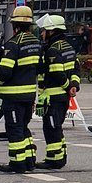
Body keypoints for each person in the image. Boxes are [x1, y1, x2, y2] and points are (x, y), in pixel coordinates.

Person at [0, 6, 40, 172]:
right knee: (23, 127)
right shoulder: (36, 44)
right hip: (28, 95)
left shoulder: (13, 45)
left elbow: (5, 72)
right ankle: (29, 160)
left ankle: (17, 163)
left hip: (13, 97)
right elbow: (40, 69)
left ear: (15, 25)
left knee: (14, 130)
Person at [35, 14, 80, 170]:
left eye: (44, 31)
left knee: (51, 127)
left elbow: (57, 72)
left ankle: (54, 160)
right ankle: (59, 156)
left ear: (52, 31)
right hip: (62, 97)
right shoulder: (68, 47)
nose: (42, 34)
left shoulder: (53, 50)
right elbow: (75, 69)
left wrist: (68, 86)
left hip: (54, 96)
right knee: (56, 126)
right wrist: (74, 85)